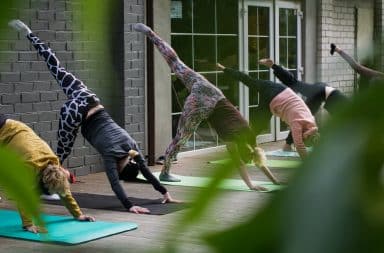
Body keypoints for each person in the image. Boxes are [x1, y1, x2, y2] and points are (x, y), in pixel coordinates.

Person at [9, 19, 178, 214]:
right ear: (122, 168)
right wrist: (130, 206)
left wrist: (164, 192)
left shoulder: (132, 145)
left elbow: (147, 173)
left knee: (56, 67)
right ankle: (43, 188)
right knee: (58, 158)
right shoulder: (110, 156)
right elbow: (116, 186)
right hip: (75, 115)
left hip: (89, 100)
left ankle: (30, 33)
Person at [133, 23, 281, 189]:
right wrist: (252, 185)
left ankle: (151, 33)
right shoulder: (232, 142)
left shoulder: (249, 135)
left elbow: (258, 158)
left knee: (176, 63)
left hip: (210, 91)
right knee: (181, 137)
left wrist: (275, 181)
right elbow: (245, 164)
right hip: (202, 106)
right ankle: (165, 172)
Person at [0, 114, 95, 233]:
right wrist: (28, 224)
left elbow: (64, 192)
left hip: (14, 127)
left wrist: (78, 215)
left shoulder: (54, 164)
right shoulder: (29, 168)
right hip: (5, 132)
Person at [216, 63, 320, 159]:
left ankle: (224, 68)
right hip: (272, 98)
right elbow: (299, 146)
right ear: (306, 135)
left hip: (277, 87)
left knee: (248, 80)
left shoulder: (311, 120)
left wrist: (308, 136)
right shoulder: (298, 124)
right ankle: (244, 149)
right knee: (258, 127)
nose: (301, 138)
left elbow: (313, 131)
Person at [258, 58, 349, 151]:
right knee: (300, 117)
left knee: (295, 84)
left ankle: (273, 66)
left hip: (323, 90)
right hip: (321, 92)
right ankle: (288, 145)